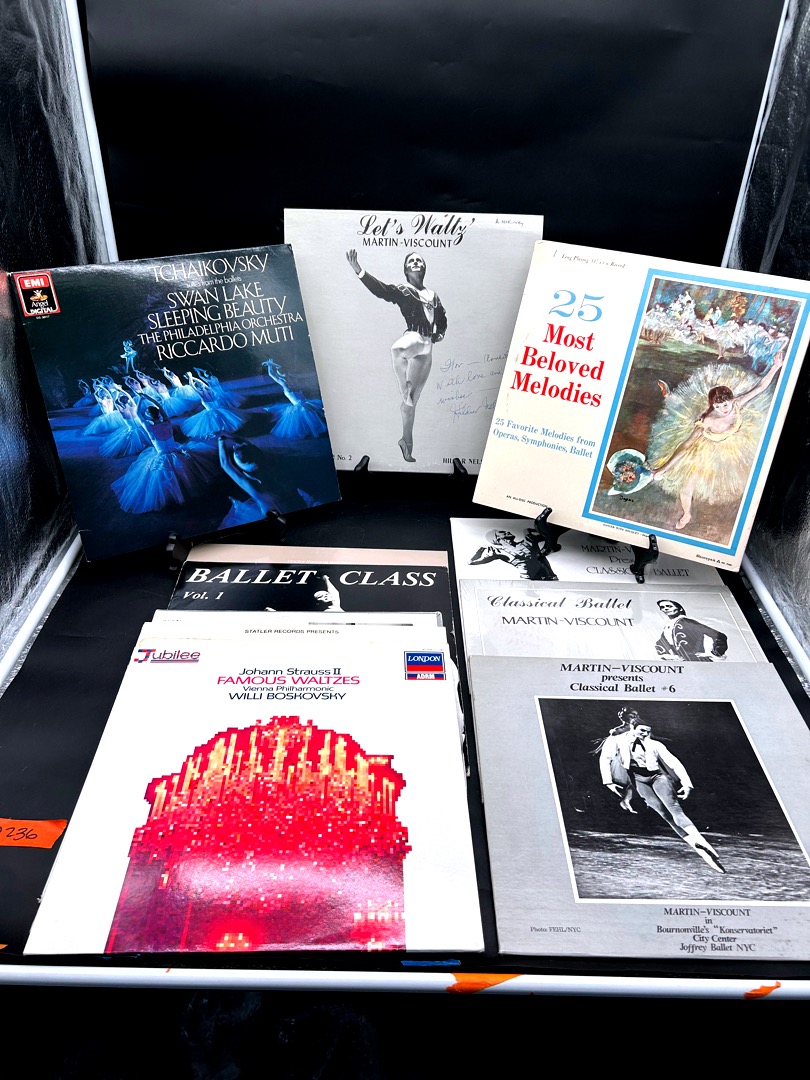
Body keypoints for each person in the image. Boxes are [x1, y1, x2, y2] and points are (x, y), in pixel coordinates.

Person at [649, 355, 784, 531]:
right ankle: (687, 514)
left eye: (725, 404)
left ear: (732, 400)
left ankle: (670, 396)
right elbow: (686, 446)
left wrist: (776, 366)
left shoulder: (737, 403)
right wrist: (663, 469)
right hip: (704, 450)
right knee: (687, 485)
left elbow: (759, 387)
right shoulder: (707, 421)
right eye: (717, 407)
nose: (723, 409)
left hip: (732, 445)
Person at [346, 248, 447, 463]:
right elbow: (381, 290)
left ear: (424, 267)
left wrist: (440, 333)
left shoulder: (433, 295)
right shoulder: (403, 290)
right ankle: (403, 386)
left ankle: (406, 441)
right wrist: (359, 271)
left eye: (419, 260)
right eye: (411, 260)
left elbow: (442, 317)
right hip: (414, 337)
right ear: (406, 269)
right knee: (397, 350)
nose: (416, 262)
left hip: (427, 347)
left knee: (411, 403)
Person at [599, 712, 725, 873]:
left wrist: (686, 783)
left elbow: (673, 762)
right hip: (638, 780)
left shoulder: (655, 744)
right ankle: (701, 851)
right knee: (665, 815)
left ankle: (703, 843)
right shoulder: (616, 740)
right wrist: (608, 781)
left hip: (657, 777)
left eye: (648, 731)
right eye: (642, 730)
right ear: (632, 727)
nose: (645, 734)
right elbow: (605, 758)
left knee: (675, 809)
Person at [654, 598, 728, 661]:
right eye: (662, 607)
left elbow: (719, 636)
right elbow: (660, 643)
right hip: (681, 664)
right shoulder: (668, 626)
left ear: (680, 609)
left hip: (697, 662)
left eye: (669, 606)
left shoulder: (688, 622)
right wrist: (668, 656)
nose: (665, 609)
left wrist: (714, 653)